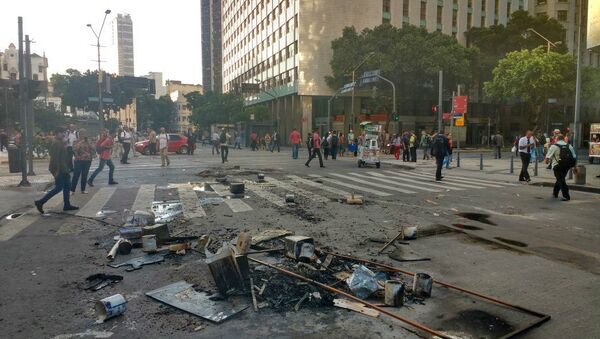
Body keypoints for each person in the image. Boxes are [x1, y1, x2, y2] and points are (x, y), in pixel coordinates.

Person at [34, 127, 79, 213]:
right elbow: (55, 159)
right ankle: (40, 202)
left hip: (64, 168)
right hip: (59, 169)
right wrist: (56, 171)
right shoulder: (56, 143)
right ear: (57, 133)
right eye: (62, 133)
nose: (63, 134)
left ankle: (67, 204)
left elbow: (63, 157)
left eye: (64, 133)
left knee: (67, 186)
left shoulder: (60, 142)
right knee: (59, 187)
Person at [545, 134, 576, 201]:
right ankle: (555, 193)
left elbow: (547, 159)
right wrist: (574, 167)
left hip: (557, 166)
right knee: (560, 179)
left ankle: (566, 196)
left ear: (557, 139)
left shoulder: (554, 146)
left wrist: (547, 162)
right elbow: (574, 157)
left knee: (561, 180)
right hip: (567, 166)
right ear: (563, 139)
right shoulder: (569, 146)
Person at [71, 129, 93, 195]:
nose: (83, 135)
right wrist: (81, 142)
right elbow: (74, 149)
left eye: (84, 134)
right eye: (81, 134)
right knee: (76, 175)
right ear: (79, 134)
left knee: (84, 175)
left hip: (87, 160)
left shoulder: (88, 141)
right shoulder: (76, 141)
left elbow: (93, 148)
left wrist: (88, 143)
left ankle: (83, 189)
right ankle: (72, 190)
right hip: (78, 160)